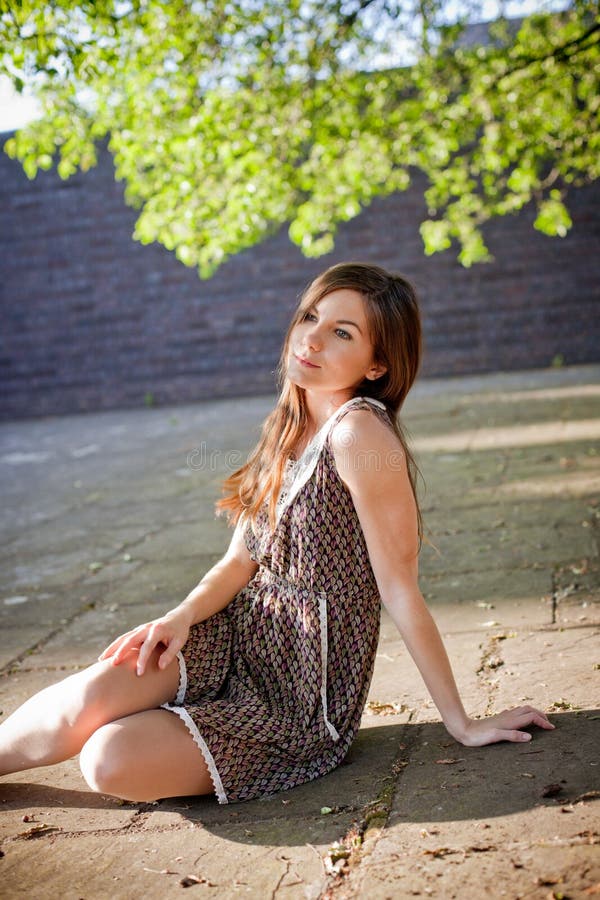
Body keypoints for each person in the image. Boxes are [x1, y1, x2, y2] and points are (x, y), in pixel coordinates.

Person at [0, 262, 554, 804]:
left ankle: (176, 722)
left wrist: (461, 722)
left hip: (298, 691)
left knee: (107, 759)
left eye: (341, 332)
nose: (310, 339)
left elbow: (400, 589)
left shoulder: (359, 433)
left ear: (378, 364)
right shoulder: (287, 426)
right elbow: (238, 562)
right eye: (309, 316)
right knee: (89, 697)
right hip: (233, 636)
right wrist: (181, 617)